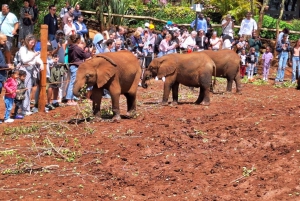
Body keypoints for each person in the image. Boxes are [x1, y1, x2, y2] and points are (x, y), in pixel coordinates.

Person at [19, 34, 44, 115]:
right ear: (27, 41)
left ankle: (26, 108)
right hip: (24, 70)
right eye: (31, 42)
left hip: (31, 71)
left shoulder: (32, 50)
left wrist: (41, 64)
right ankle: (23, 109)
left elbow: (37, 59)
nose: (33, 44)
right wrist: (34, 55)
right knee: (25, 89)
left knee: (28, 89)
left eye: (34, 43)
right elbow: (24, 60)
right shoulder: (23, 49)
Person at [66, 34, 91, 106]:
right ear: (78, 40)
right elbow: (86, 56)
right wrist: (88, 51)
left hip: (72, 66)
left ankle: (72, 99)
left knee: (73, 82)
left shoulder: (70, 47)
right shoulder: (77, 48)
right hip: (75, 66)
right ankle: (69, 99)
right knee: (72, 83)